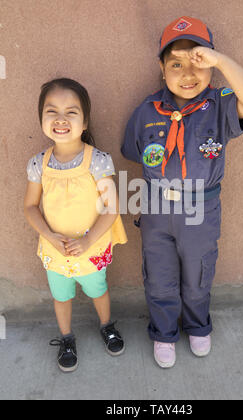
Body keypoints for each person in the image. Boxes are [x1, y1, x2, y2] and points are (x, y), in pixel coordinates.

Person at [121, 16, 243, 368]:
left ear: (212, 66)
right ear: (161, 67)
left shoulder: (220, 105)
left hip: (201, 210)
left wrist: (221, 62)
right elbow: (133, 153)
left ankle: (198, 326)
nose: (188, 74)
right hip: (157, 209)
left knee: (199, 272)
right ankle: (164, 332)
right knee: (159, 275)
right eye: (176, 64)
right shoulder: (146, 111)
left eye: (198, 62)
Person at [24, 78, 127, 372]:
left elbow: (111, 208)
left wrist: (88, 240)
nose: (60, 119)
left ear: (84, 121)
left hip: (91, 247)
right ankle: (67, 337)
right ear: (41, 119)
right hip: (54, 249)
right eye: (51, 111)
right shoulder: (37, 164)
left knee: (98, 289)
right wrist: (49, 235)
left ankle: (107, 326)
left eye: (71, 111)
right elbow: (30, 207)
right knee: (61, 296)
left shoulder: (98, 161)